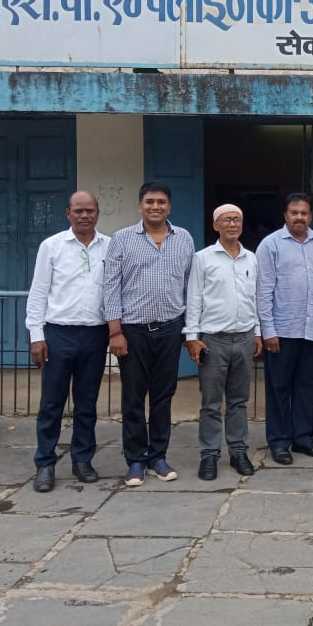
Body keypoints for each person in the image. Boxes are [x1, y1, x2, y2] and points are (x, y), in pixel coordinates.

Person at [103, 181, 195, 487]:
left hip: (170, 328)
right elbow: (111, 286)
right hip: (133, 330)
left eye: (161, 202)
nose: (156, 206)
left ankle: (158, 456)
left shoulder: (183, 238)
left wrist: (189, 329)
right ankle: (135, 459)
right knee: (133, 396)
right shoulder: (122, 239)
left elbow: (190, 286)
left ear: (169, 207)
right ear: (140, 206)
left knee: (163, 396)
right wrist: (115, 331)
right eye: (150, 201)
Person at [26, 191, 110, 493]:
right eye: (78, 211)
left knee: (87, 403)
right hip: (58, 333)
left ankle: (82, 460)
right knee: (52, 403)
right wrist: (36, 335)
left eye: (90, 210)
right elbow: (38, 292)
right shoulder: (52, 246)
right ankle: (45, 463)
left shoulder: (110, 246)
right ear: (68, 213)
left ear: (97, 213)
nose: (84, 215)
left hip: (95, 334)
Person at [184, 204, 262, 480]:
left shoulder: (251, 258)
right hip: (213, 340)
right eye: (226, 220)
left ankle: (238, 450)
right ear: (216, 225)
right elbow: (194, 298)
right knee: (211, 402)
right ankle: (209, 454)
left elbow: (255, 298)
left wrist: (258, 331)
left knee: (239, 400)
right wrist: (192, 337)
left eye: (237, 219)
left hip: (244, 337)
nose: (232, 224)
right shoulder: (203, 258)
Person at [256, 193, 313, 464]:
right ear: (285, 215)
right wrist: (268, 331)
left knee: (308, 387)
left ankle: (303, 438)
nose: (299, 217)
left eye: (304, 213)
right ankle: (279, 442)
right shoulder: (270, 244)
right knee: (279, 387)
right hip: (282, 331)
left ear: (311, 216)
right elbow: (263, 290)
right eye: (294, 212)